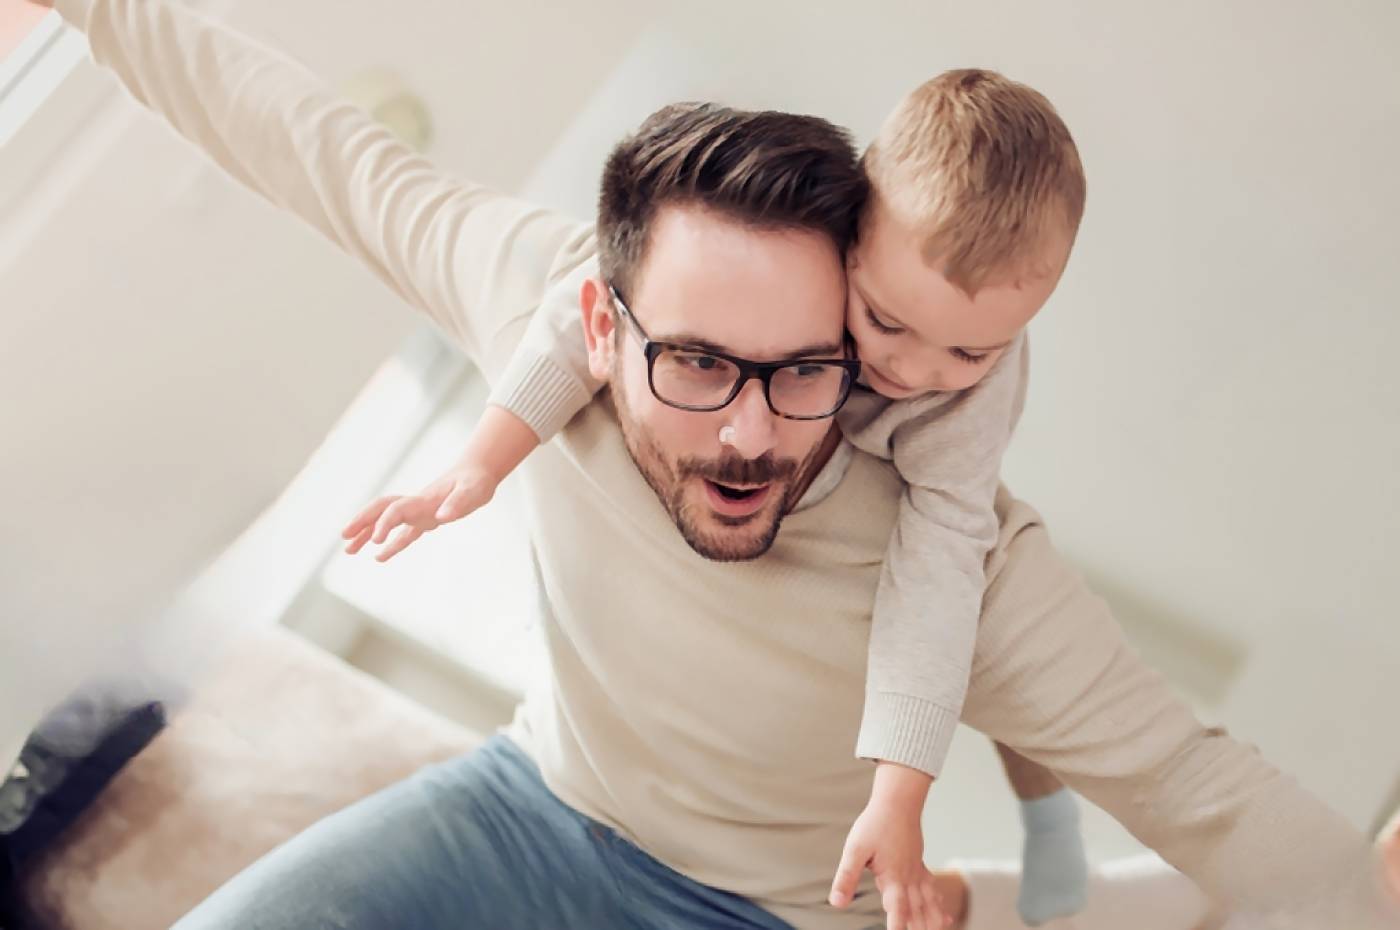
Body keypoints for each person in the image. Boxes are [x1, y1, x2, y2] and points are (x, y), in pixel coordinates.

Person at [34, 0, 1400, 928]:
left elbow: (1202, 785)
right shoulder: (536, 295)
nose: (751, 432)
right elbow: (307, 145)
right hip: (526, 803)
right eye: (695, 364)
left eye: (808, 370)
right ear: (597, 326)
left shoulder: (962, 538)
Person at [343, 66, 1093, 928]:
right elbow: (571, 319)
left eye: (969, 353)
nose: (914, 373)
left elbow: (939, 577)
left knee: (1000, 633)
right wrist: (481, 463)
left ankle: (1044, 825)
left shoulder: (963, 405)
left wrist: (901, 795)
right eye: (884, 323)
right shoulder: (779, 260)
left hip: (953, 546)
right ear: (859, 237)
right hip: (570, 791)